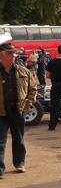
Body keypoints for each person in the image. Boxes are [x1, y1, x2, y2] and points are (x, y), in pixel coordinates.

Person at [0, 42, 37, 177]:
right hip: (1, 112)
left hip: (18, 110)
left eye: (14, 53)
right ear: (2, 55)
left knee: (19, 139)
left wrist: (30, 101)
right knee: (0, 140)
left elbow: (33, 88)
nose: (14, 55)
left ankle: (20, 163)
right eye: (10, 53)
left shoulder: (24, 71)